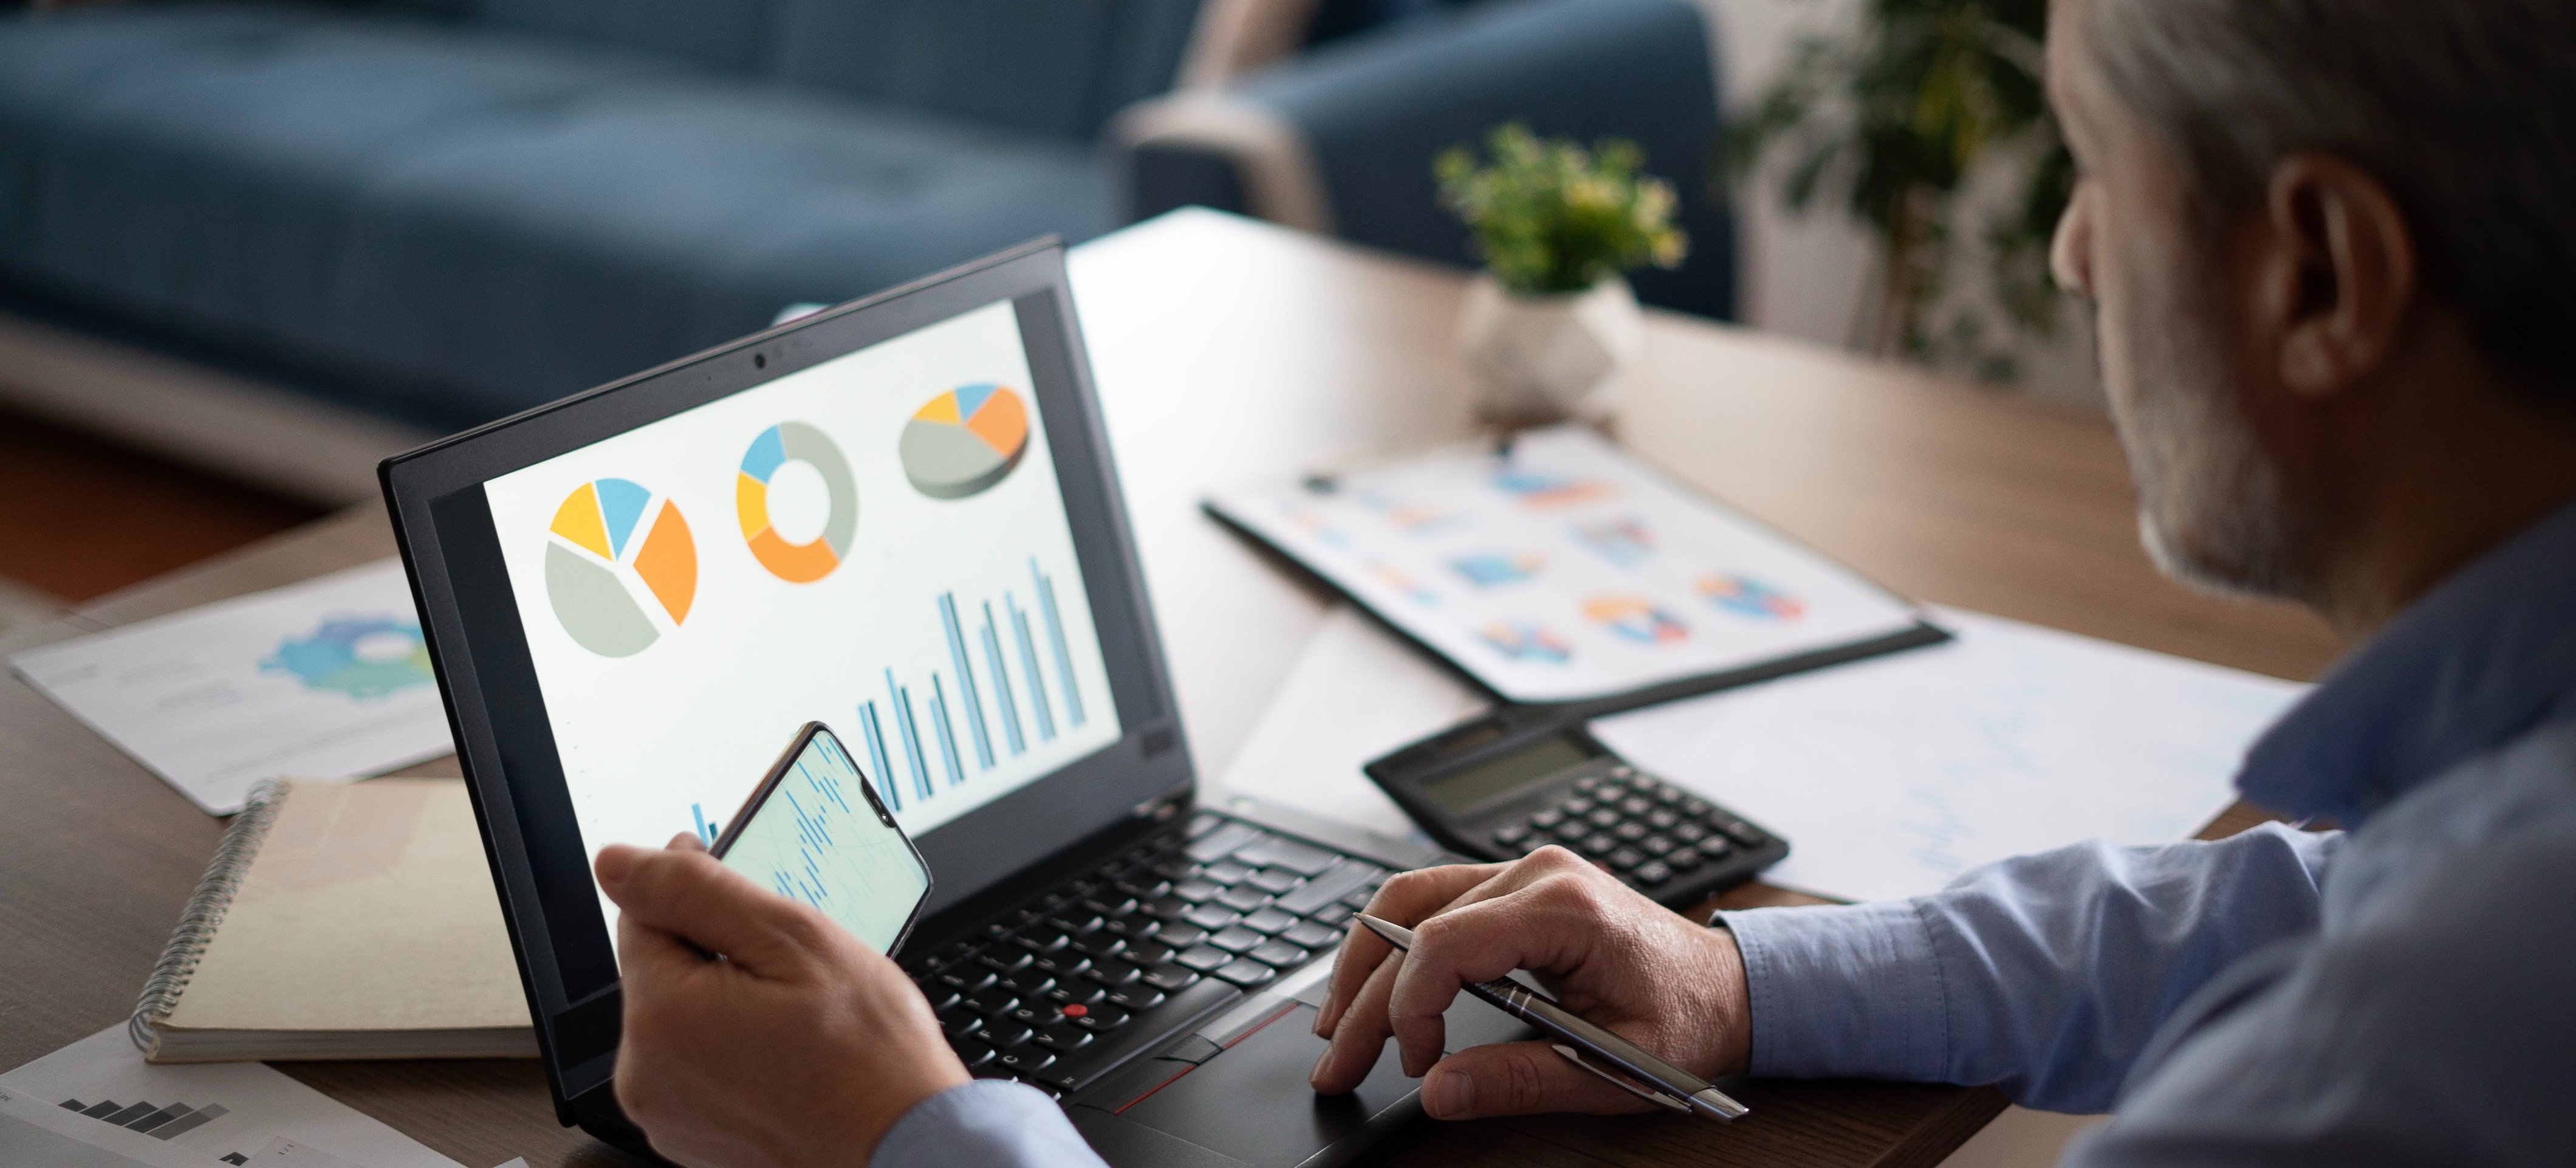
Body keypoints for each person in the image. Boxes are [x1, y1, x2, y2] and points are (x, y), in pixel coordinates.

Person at [590, 1, 2576, 1164]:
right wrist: (1731, 972)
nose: (2065, 262)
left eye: (2089, 171)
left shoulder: (2401, 1062)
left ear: (2319, 274)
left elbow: (2355, 986)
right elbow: (2291, 906)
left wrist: (918, 1135)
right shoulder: (2480, 851)